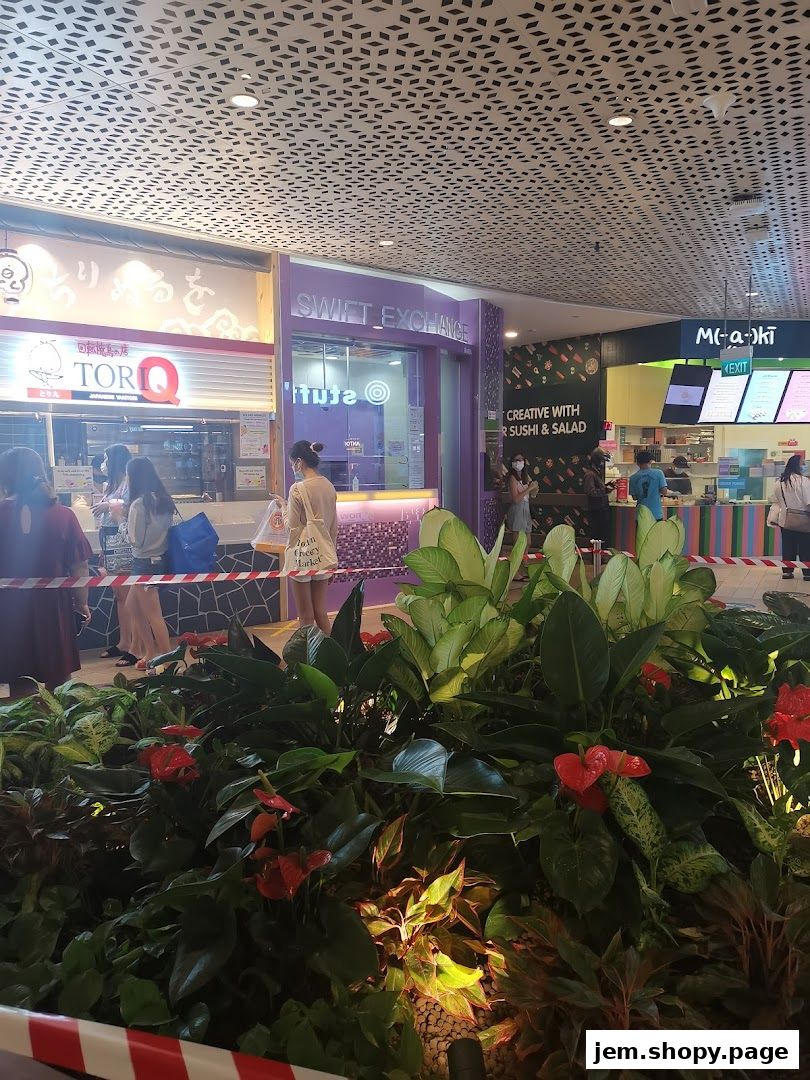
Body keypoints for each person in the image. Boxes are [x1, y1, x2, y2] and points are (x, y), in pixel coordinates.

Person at [0, 447, 92, 693]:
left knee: (20, 680)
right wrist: (81, 604)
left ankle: (30, 729)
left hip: (8, 608)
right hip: (54, 607)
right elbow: (79, 567)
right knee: (59, 679)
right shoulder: (63, 515)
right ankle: (61, 728)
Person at [110, 457, 174, 670]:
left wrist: (120, 520)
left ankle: (166, 658)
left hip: (143, 563)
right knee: (133, 607)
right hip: (159, 560)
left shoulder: (139, 504)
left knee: (153, 614)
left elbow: (135, 540)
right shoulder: (164, 500)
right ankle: (149, 653)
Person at [282, 440, 338, 634]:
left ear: (299, 462)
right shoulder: (329, 487)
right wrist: (333, 561)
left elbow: (292, 526)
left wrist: (283, 508)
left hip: (302, 557)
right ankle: (329, 657)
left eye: (292, 464)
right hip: (323, 554)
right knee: (321, 612)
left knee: (305, 615)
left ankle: (308, 659)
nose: (293, 469)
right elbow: (333, 526)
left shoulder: (297, 489)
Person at [91, 443, 136, 665]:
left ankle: (135, 645)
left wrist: (108, 505)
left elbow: (129, 510)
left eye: (106, 459)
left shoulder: (129, 482)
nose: (103, 464)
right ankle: (124, 641)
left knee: (129, 596)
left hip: (122, 542)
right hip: (108, 541)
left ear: (115, 461)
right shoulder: (110, 485)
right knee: (119, 595)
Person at [768, 454, 810, 582]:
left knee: (788, 547)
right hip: (803, 519)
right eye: (803, 463)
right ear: (797, 465)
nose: (804, 466)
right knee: (805, 548)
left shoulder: (779, 482)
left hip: (785, 519)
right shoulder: (804, 481)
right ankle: (807, 573)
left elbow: (776, 500)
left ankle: (787, 572)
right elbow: (808, 502)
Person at [629, 451, 677, 521]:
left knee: (642, 532)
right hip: (656, 513)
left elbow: (634, 497)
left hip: (641, 514)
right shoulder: (658, 473)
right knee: (656, 532)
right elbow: (664, 492)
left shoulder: (633, 477)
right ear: (651, 461)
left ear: (637, 463)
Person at [583, 449, 615, 543]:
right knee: (597, 536)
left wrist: (607, 486)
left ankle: (600, 555)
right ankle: (596, 556)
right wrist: (605, 490)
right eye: (601, 461)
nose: (603, 463)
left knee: (603, 535)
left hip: (602, 508)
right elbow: (590, 491)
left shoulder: (597, 472)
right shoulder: (590, 474)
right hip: (596, 510)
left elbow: (598, 488)